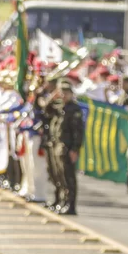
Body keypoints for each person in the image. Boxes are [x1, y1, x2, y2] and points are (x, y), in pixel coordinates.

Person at [58, 81, 84, 216]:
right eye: (62, 93)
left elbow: (78, 131)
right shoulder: (63, 107)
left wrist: (75, 149)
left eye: (66, 93)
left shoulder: (74, 109)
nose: (63, 96)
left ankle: (71, 205)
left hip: (69, 147)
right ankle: (65, 201)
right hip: (62, 146)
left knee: (70, 178)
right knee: (62, 177)